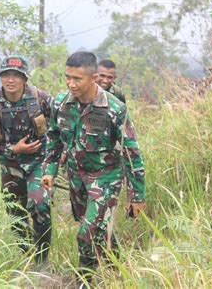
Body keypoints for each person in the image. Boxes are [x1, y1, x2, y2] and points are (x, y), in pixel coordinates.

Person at [40, 52, 146, 286]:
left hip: (105, 177)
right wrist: (49, 169)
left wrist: (136, 194)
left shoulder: (114, 108)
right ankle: (117, 267)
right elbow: (54, 137)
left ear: (94, 77)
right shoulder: (60, 103)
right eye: (67, 77)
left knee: (86, 233)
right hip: (76, 177)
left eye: (77, 78)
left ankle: (83, 280)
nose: (71, 83)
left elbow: (131, 152)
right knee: (95, 227)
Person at [0, 55, 53, 265]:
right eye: (6, 75)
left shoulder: (41, 99)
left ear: (24, 78)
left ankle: (42, 260)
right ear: (1, 77)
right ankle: (27, 257)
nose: (10, 80)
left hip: (39, 162)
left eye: (16, 76)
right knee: (15, 213)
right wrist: (12, 149)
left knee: (40, 205)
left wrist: (56, 161)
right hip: (10, 165)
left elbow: (59, 130)